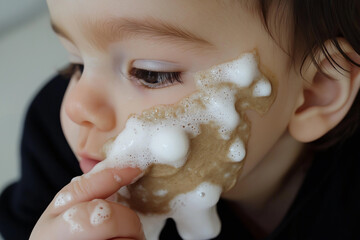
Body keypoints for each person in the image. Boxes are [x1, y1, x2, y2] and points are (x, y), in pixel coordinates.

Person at [1, 0, 359, 239]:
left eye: (151, 74)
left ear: (314, 93)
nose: (76, 107)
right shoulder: (55, 146)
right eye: (76, 63)